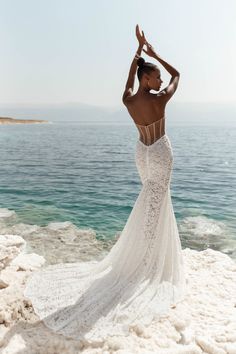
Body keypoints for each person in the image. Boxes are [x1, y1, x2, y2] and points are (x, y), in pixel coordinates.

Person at [24, 24, 187, 342]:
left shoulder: (129, 100)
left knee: (147, 201)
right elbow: (178, 75)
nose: (160, 81)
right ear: (147, 79)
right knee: (157, 203)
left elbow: (129, 82)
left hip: (141, 153)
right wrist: (154, 55)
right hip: (160, 153)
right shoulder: (158, 101)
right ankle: (148, 263)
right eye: (155, 77)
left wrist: (136, 55)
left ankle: (143, 254)